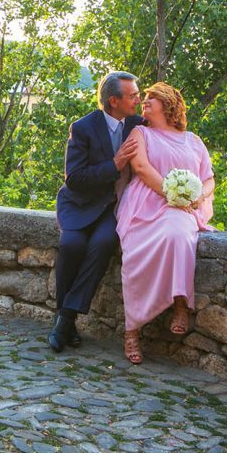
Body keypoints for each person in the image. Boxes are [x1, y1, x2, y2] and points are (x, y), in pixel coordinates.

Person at [115, 82, 215, 364]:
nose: (144, 103)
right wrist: (174, 193)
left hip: (180, 208)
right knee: (133, 253)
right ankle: (132, 329)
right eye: (143, 98)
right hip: (145, 203)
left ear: (168, 103)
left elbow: (209, 178)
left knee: (179, 235)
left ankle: (181, 303)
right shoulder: (140, 133)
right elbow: (142, 169)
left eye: (150, 99)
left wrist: (195, 197)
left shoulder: (193, 140)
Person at [50, 71, 145, 352]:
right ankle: (66, 322)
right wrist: (113, 166)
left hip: (111, 207)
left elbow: (167, 126)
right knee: (71, 244)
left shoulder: (138, 125)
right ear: (114, 101)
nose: (138, 100)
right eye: (133, 95)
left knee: (104, 243)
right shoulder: (82, 128)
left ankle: (64, 318)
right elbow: (74, 177)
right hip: (78, 203)